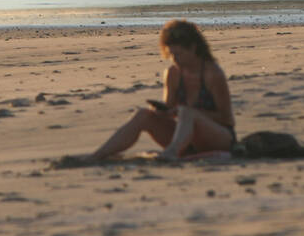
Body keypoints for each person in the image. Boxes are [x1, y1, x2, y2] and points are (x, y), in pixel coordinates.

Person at [91, 20, 236, 162]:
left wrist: (188, 112)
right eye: (172, 55)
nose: (175, 60)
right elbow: (170, 110)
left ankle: (171, 153)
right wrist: (164, 111)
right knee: (143, 114)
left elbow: (226, 119)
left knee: (186, 111)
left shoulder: (212, 74)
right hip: (186, 141)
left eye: (179, 54)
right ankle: (98, 155)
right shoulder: (173, 73)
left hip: (219, 138)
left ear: (193, 48)